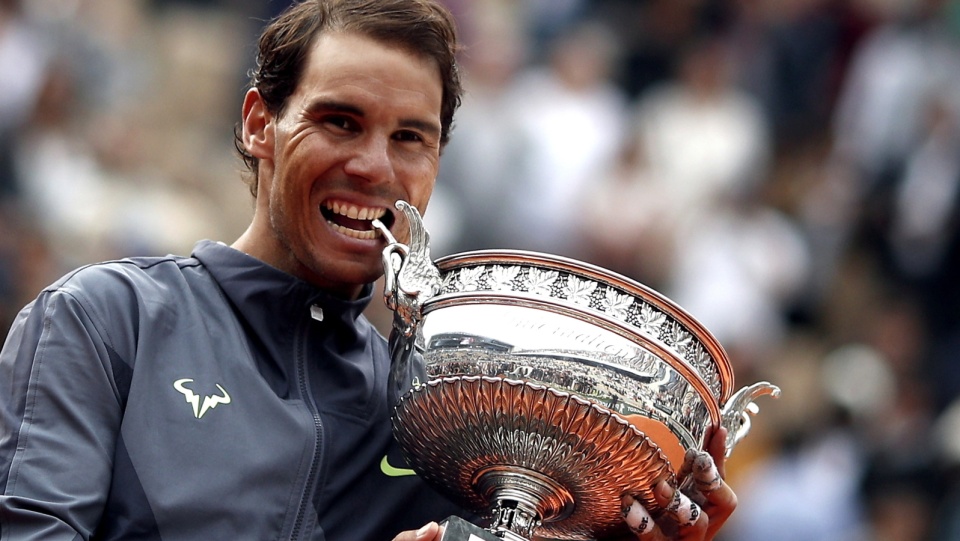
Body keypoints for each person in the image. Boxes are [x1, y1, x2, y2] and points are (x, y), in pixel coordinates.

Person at [0, 1, 737, 539]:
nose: (373, 167)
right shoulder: (105, 321)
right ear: (261, 123)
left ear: (436, 164)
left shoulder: (440, 413)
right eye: (340, 121)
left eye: (409, 138)